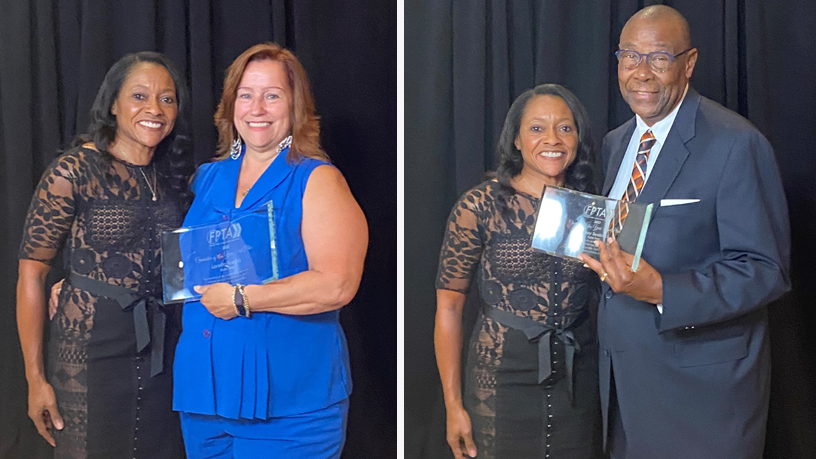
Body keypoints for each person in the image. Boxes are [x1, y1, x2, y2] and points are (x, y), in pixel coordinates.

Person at [578, 6, 790, 459]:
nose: (641, 73)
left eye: (658, 58)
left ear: (688, 63)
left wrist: (661, 290)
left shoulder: (736, 143)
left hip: (703, 400)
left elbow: (765, 269)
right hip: (623, 391)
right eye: (629, 56)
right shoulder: (616, 144)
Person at [171, 42, 367, 458]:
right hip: (204, 400)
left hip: (291, 406)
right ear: (231, 105)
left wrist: (243, 299)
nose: (256, 108)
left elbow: (337, 285)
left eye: (271, 95)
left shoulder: (317, 179)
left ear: (295, 106)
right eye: (246, 95)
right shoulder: (207, 177)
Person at [17, 51, 192, 458]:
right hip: (88, 351)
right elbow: (31, 275)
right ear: (113, 104)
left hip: (163, 352)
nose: (155, 109)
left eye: (167, 99)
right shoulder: (74, 171)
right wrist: (35, 378)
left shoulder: (176, 178)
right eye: (139, 96)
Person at [435, 84, 604, 459]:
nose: (552, 139)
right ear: (515, 139)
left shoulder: (593, 209)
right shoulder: (479, 206)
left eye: (565, 128)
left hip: (578, 378)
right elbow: (448, 309)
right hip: (501, 377)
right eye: (536, 128)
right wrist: (453, 405)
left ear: (578, 138)